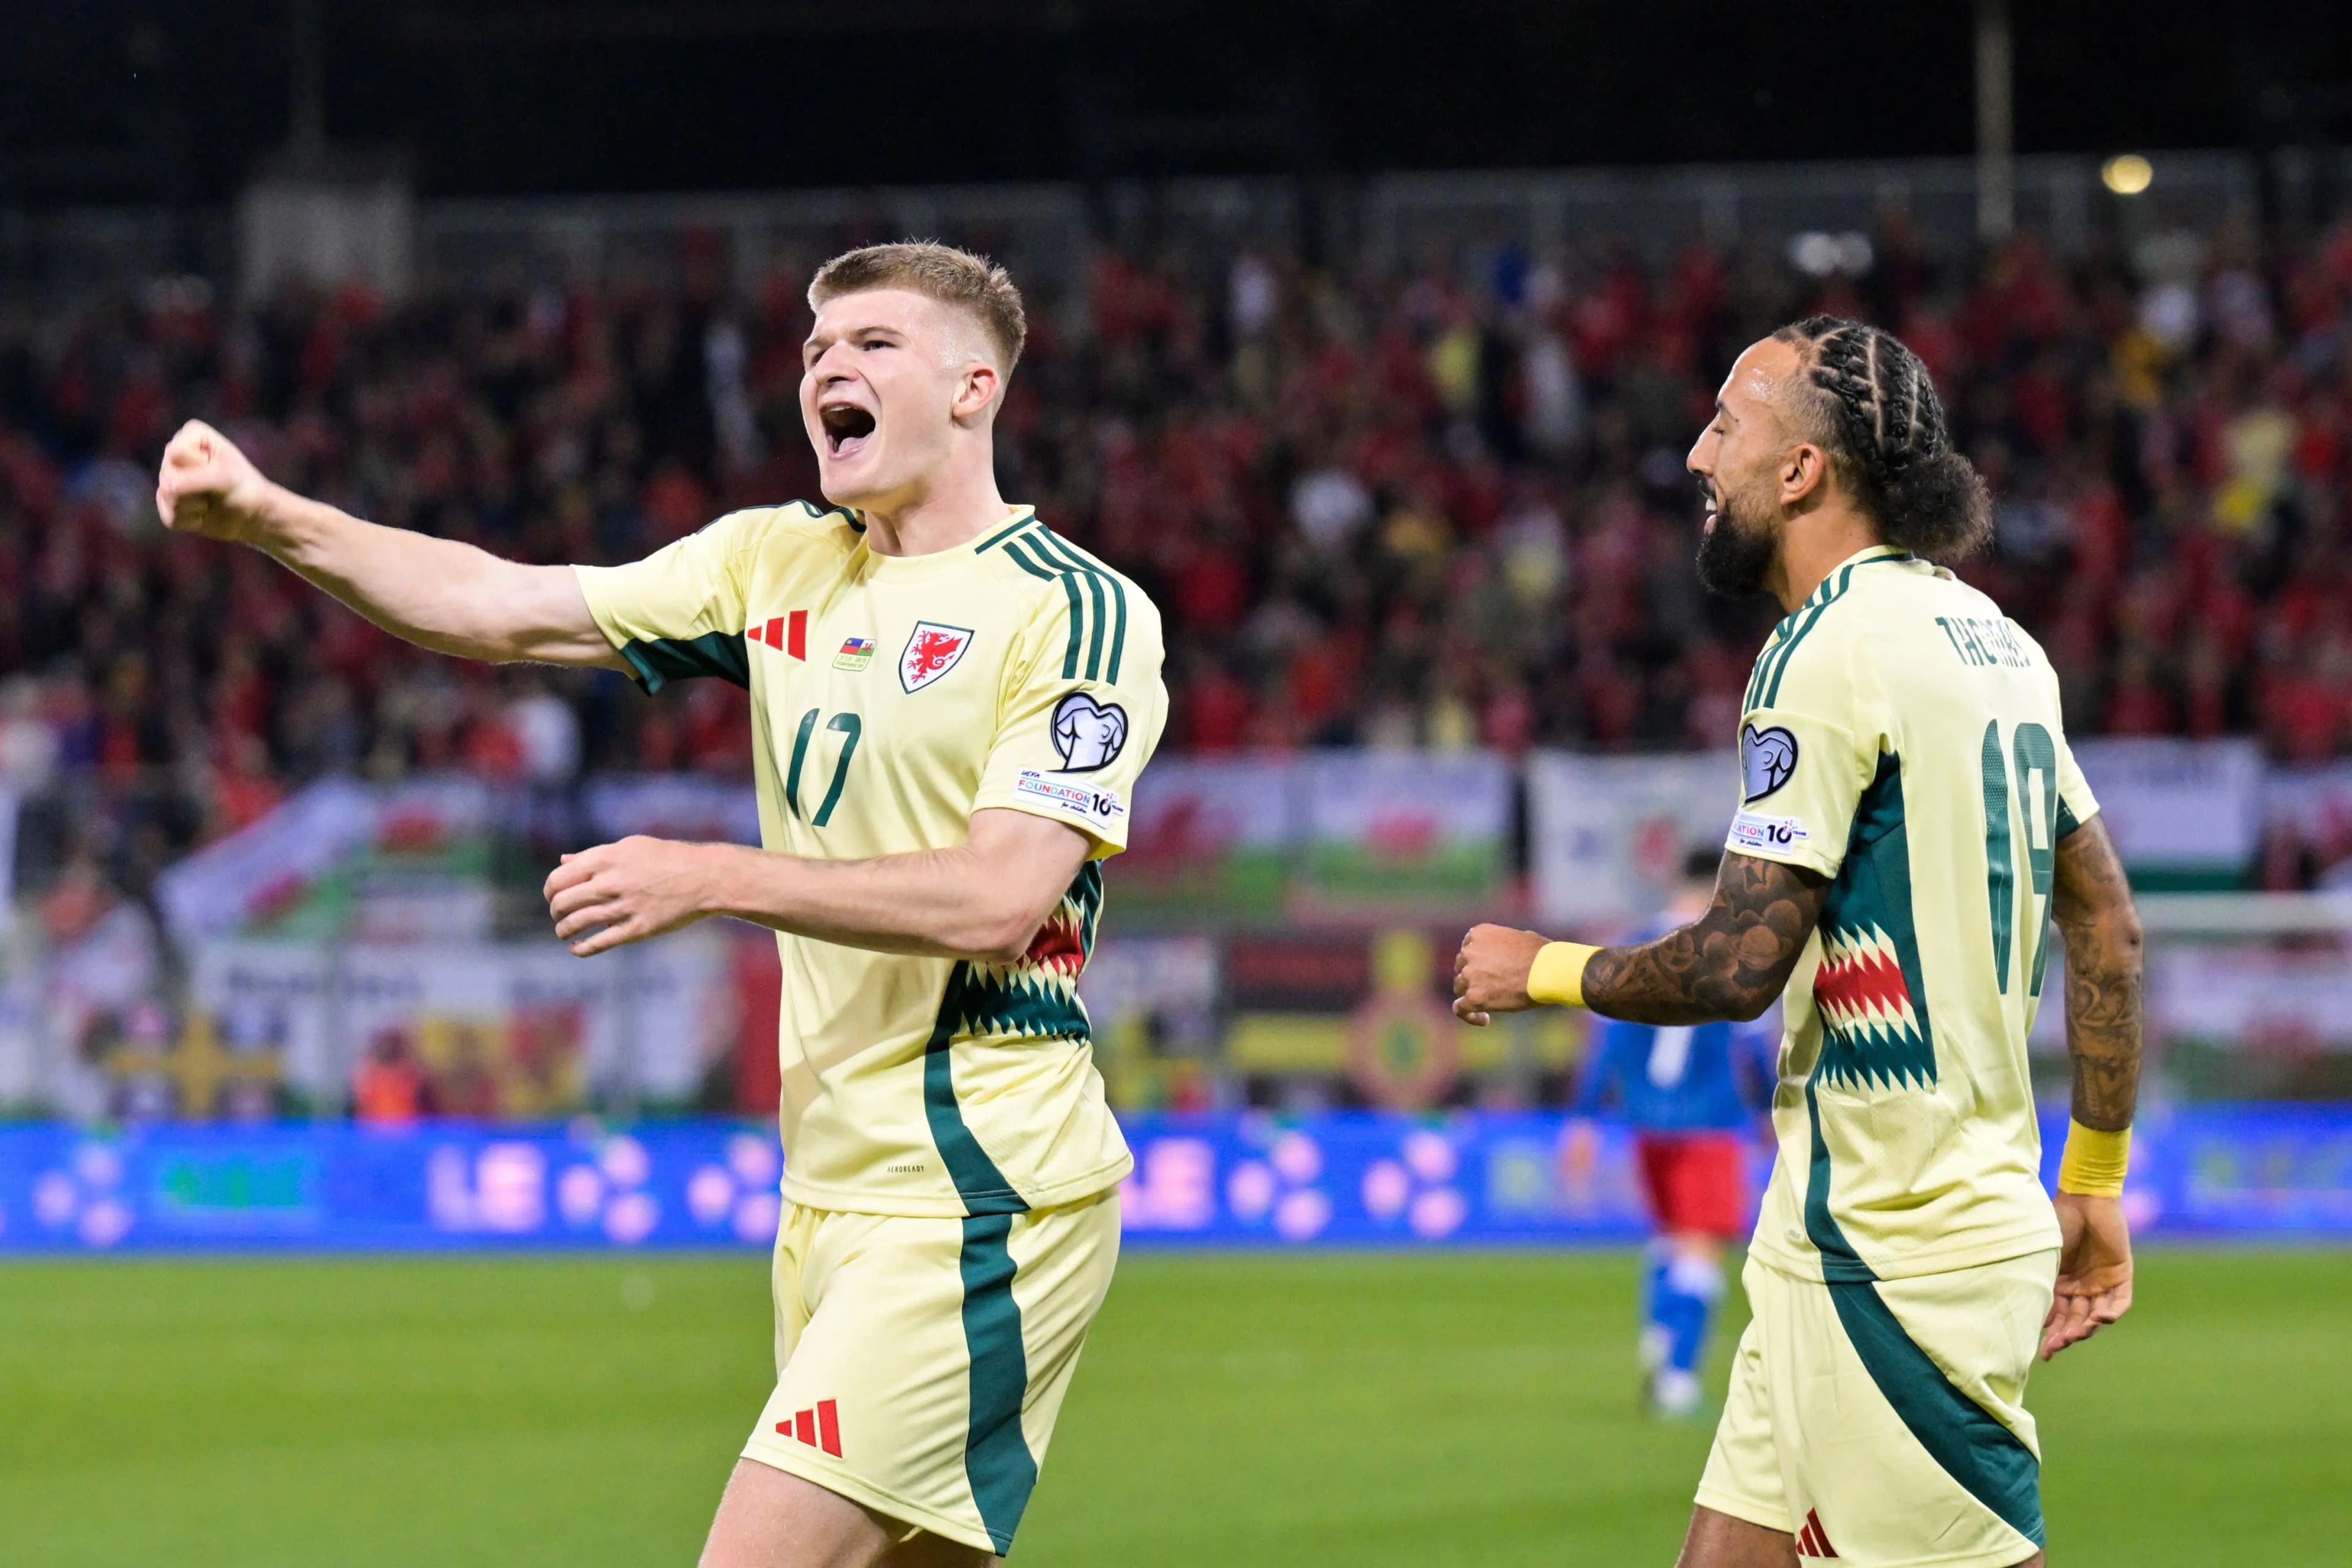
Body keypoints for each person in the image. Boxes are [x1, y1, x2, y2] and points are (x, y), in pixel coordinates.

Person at [155, 241, 1167, 1568]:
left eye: (872, 344)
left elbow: (999, 895)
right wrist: (271, 514)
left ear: (975, 385)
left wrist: (716, 873)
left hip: (979, 1192)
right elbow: (501, 605)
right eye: (814, 352)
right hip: (827, 1197)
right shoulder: (773, 566)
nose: (827, 371)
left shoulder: (1077, 612)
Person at [1455, 317, 2143, 1568]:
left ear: (1801, 472)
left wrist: (1543, 967)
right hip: (1837, 1226)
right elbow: (2103, 914)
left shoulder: (1823, 648)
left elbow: (1737, 961)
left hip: (1897, 1249)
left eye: (1727, 424)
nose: (1693, 454)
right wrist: (2092, 1175)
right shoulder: (1999, 642)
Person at [1564, 850, 1776, 1420]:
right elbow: (1751, 1048)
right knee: (1701, 1247)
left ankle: (1660, 1335)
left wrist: (1584, 1119)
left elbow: (1604, 1044)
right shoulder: (1734, 953)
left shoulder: (1629, 946)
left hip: (1646, 1122)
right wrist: (1768, 1110)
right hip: (1707, 1121)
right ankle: (1676, 1378)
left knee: (1669, 1235)